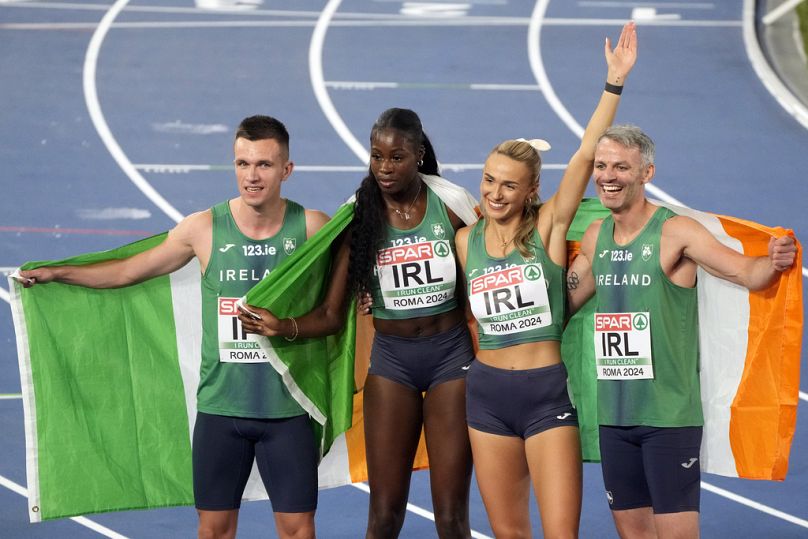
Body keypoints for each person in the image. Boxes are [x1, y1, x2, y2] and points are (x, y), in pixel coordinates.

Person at [17, 115, 330, 539]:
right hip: (221, 411)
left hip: (287, 410)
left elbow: (350, 287)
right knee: (214, 530)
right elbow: (130, 271)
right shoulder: (203, 229)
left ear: (286, 170)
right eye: (242, 164)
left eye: (264, 165)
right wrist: (60, 273)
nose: (251, 176)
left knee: (298, 530)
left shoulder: (312, 228)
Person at [238, 107, 477, 538]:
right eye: (376, 156)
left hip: (451, 360)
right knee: (384, 515)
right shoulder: (360, 214)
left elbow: (492, 269)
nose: (384, 168)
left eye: (396, 157)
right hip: (393, 364)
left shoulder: (453, 206)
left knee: (451, 516)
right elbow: (331, 313)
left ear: (419, 155)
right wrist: (283, 326)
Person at [452, 21, 638, 538]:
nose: (494, 193)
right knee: (510, 534)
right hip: (485, 395)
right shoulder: (466, 242)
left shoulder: (550, 226)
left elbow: (584, 154)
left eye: (509, 185)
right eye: (489, 180)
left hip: (544, 396)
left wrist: (614, 82)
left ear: (532, 189)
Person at [566, 124, 797, 538]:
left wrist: (774, 262)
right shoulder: (596, 236)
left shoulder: (676, 233)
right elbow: (565, 302)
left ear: (646, 174)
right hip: (614, 416)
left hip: (667, 419)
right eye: (601, 166)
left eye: (621, 167)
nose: (607, 176)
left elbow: (748, 272)